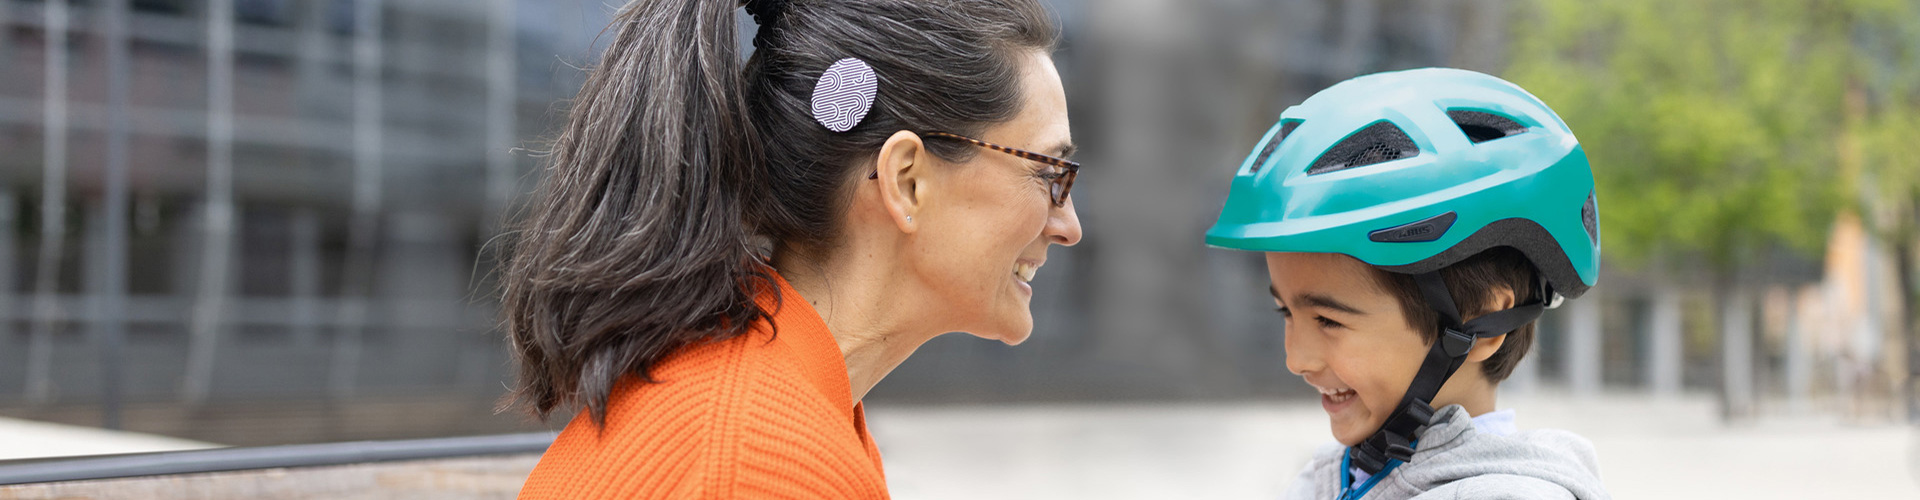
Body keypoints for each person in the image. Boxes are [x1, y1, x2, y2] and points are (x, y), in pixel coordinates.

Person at [500, 0, 1080, 498]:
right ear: (906, 181)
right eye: (1050, 172)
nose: (1069, 224)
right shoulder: (758, 464)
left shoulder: (774, 415)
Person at [1206, 68, 1610, 499]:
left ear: (1481, 321)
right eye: (1287, 312)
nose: (1296, 359)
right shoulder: (1334, 477)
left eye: (1327, 320)